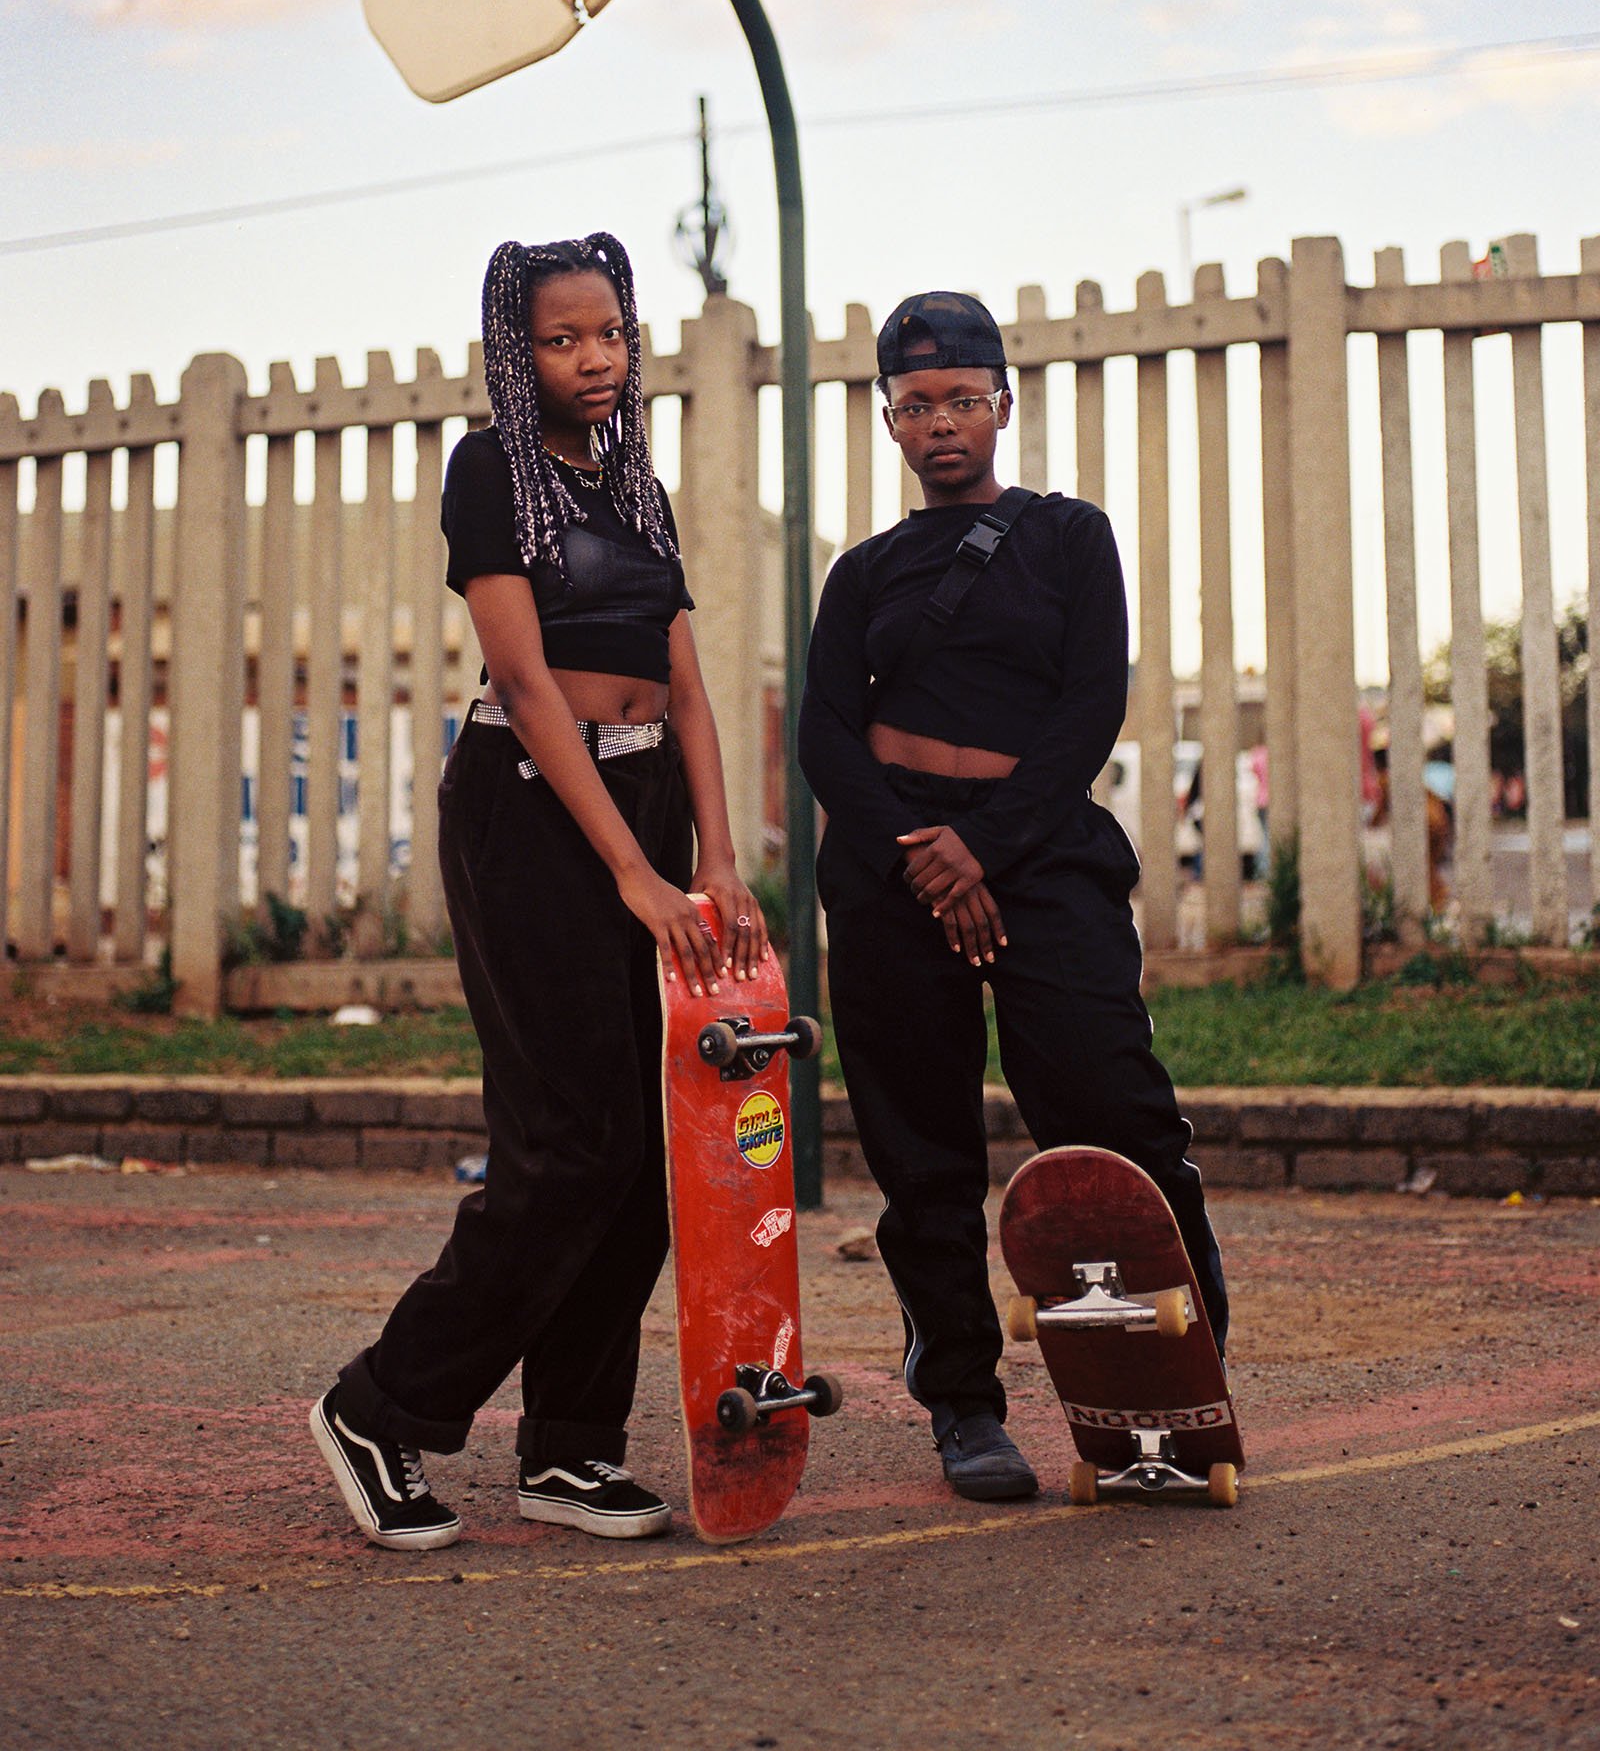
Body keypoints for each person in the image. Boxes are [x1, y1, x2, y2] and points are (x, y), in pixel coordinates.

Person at [312, 231, 766, 1549]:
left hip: (649, 804)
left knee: (648, 1164)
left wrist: (714, 858)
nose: (595, 358)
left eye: (611, 332)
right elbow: (521, 683)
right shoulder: (490, 472)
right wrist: (627, 873)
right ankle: (381, 1406)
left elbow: (683, 686)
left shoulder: (639, 488)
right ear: (520, 353)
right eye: (564, 339)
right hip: (527, 810)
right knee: (572, 1143)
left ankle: (570, 1451)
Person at [798, 290, 1228, 1503]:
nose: (942, 423)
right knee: (923, 1154)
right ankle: (965, 1407)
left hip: (1036, 858)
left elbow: (1090, 705)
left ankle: (1175, 1366)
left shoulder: (1066, 536)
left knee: (1112, 1117)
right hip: (890, 877)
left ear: (1003, 404)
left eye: (964, 400)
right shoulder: (865, 572)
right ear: (888, 419)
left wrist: (982, 850)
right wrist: (920, 855)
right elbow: (826, 733)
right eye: (916, 403)